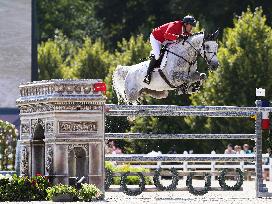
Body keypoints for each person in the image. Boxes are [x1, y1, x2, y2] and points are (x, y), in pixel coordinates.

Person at [143, 15, 197, 84]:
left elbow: (189, 37)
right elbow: (166, 35)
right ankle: (147, 75)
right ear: (185, 24)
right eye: (191, 25)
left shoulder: (185, 30)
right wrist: (178, 37)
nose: (192, 28)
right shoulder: (175, 25)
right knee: (157, 55)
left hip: (166, 40)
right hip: (156, 38)